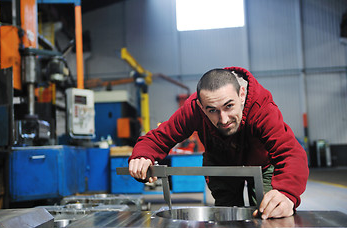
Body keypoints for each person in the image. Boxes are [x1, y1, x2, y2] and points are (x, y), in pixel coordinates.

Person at [128, 67, 309, 219]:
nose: (223, 119)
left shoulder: (261, 108)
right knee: (227, 216)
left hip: (263, 165)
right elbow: (160, 137)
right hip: (221, 163)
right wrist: (142, 155)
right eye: (212, 110)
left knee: (270, 212)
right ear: (200, 106)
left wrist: (286, 193)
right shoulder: (194, 109)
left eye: (229, 106)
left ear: (242, 94)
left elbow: (290, 152)